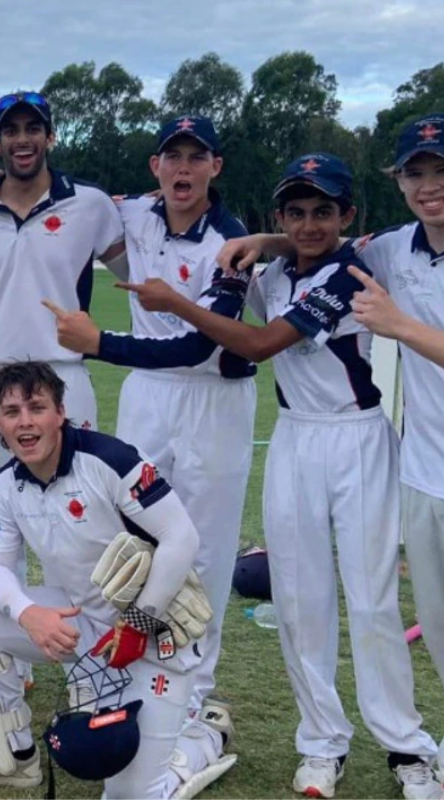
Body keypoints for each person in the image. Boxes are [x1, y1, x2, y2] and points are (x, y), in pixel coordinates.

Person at [122, 153, 442, 799]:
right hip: (294, 439)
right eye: (295, 212)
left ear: (346, 215)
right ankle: (321, 743)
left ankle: (408, 748)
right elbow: (234, 336)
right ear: (279, 217)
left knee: (372, 599)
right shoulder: (271, 271)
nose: (308, 223)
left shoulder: (351, 272)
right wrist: (252, 250)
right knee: (299, 600)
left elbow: (260, 344)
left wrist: (178, 304)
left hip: (358, 439)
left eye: (322, 210)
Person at [0, 360, 232, 798]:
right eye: (12, 412)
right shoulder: (6, 485)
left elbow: (181, 538)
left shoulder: (109, 459)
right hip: (90, 630)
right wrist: (28, 613)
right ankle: (14, 755)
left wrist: (140, 620)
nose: (26, 422)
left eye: (37, 407)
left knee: (127, 796)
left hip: (157, 638)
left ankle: (203, 739)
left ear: (60, 413)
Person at [41, 117, 254, 734]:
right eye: (172, 158)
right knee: (133, 539)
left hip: (214, 397)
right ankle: (126, 673)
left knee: (206, 548)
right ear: (154, 166)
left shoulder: (231, 241)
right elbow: (58, 186)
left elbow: (196, 347)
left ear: (216, 166)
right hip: (148, 397)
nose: (182, 169)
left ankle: (192, 690)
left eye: (196, 158)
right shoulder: (131, 214)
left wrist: (99, 342)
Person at [0, 91, 126, 529]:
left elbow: (141, 262)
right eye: (11, 131)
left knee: (85, 517)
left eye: (33, 128)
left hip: (65, 375)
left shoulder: (89, 204)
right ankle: (7, 601)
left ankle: (86, 602)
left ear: (50, 137)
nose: (23, 139)